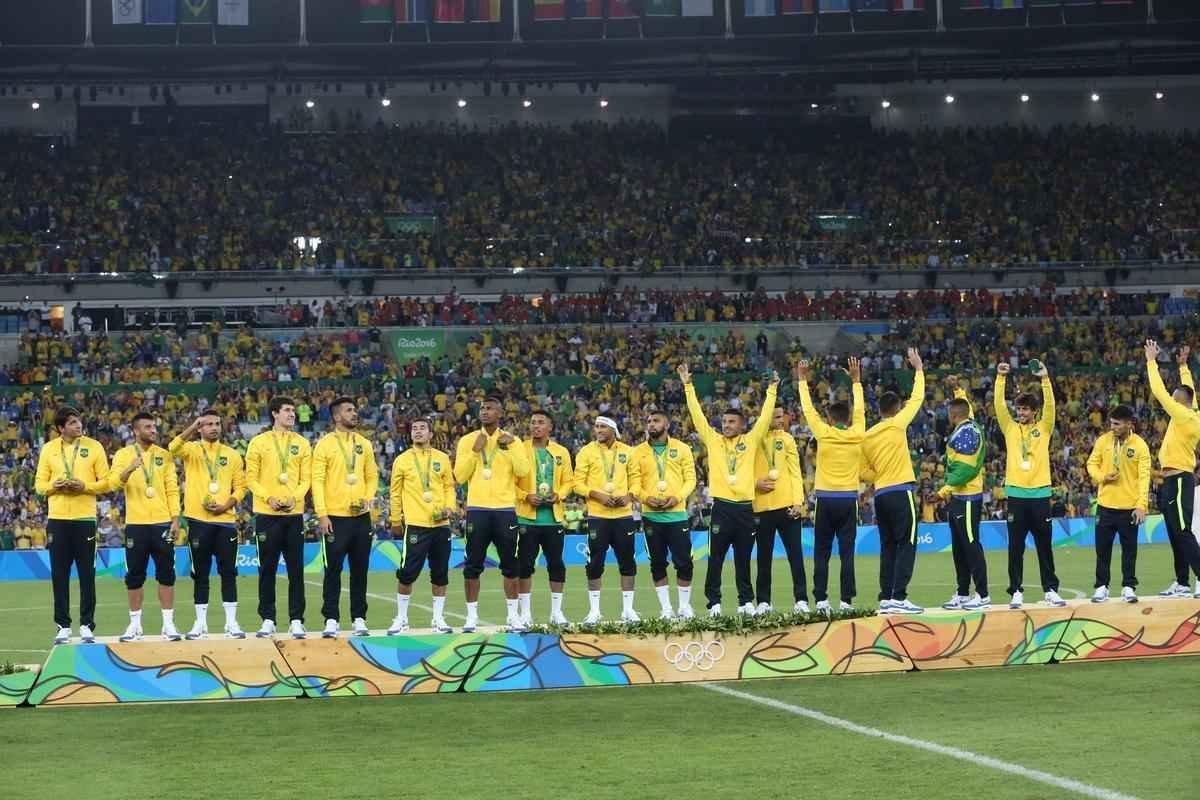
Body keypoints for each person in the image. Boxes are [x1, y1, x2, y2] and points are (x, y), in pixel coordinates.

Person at [680, 363, 779, 616]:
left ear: (742, 425)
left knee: (744, 559)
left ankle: (746, 602)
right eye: (724, 421)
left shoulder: (750, 440)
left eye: (731, 421)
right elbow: (697, 417)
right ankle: (713, 603)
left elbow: (766, 416)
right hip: (722, 508)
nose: (726, 425)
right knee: (716, 559)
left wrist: (772, 390)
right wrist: (688, 386)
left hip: (745, 509)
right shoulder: (713, 441)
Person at [453, 395, 530, 632]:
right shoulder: (468, 440)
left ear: (500, 414)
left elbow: (523, 470)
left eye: (490, 408)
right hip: (477, 509)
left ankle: (513, 615)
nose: (484, 411)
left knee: (510, 565)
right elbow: (460, 476)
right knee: (472, 565)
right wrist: (474, 452)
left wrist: (510, 449)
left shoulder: (512, 441)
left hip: (505, 510)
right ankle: (471, 616)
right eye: (482, 408)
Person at [35, 405, 110, 645]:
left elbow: (107, 482)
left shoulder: (94, 447)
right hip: (57, 520)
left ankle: (87, 625)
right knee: (59, 575)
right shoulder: (48, 449)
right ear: (60, 428)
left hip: (85, 519)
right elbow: (39, 485)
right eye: (72, 423)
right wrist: (54, 486)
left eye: (79, 421)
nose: (78, 425)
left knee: (87, 574)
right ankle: (63, 626)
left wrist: (84, 486)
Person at [169, 412, 247, 640]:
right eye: (208, 424)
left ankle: (231, 623)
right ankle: (200, 624)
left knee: (229, 573)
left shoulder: (232, 455)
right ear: (200, 428)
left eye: (217, 424)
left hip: (225, 521)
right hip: (198, 520)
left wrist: (226, 506)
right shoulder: (192, 450)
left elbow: (241, 488)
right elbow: (173, 447)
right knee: (200, 573)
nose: (214, 428)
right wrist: (192, 426)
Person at [994, 360, 1065, 609]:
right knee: (1015, 547)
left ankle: (1050, 590)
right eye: (1019, 409)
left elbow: (1052, 407)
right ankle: (1016, 591)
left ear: (1034, 411)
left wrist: (1045, 379)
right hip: (1015, 495)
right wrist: (1000, 379)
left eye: (1025, 410)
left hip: (1040, 495)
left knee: (1044, 546)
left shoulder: (1044, 428)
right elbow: (998, 407)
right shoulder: (1010, 428)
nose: (1020, 413)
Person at [106, 413, 182, 642]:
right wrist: (129, 469)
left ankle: (168, 625)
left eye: (154, 426)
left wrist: (175, 518)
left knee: (167, 574)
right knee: (135, 575)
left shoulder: (164, 455)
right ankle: (135, 625)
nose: (153, 430)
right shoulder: (123, 454)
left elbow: (172, 488)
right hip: (136, 524)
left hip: (162, 523)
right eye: (148, 427)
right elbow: (112, 484)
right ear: (135, 431)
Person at [860, 348, 925, 615]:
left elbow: (862, 472)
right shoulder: (897, 424)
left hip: (882, 495)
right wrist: (918, 369)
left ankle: (886, 596)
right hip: (901, 492)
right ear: (896, 409)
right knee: (906, 543)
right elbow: (918, 398)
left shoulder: (868, 435)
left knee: (887, 546)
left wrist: (881, 475)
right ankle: (899, 597)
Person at [797, 357, 864, 615]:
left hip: (825, 499)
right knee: (847, 553)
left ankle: (822, 600)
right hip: (848, 499)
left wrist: (803, 380)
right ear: (847, 419)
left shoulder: (823, 433)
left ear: (829, 417)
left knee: (822, 552)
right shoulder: (857, 431)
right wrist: (856, 381)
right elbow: (860, 411)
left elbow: (807, 410)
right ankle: (846, 601)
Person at [245, 396, 312, 639]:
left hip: (294, 515)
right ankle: (268, 619)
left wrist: (295, 497)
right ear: (275, 413)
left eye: (293, 410)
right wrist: (267, 497)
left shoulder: (302, 443)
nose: (292, 414)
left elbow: (306, 478)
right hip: (266, 514)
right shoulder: (258, 443)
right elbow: (250, 478)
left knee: (296, 570)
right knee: (267, 569)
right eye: (287, 410)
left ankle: (296, 619)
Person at [313, 397, 380, 638]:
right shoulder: (325, 445)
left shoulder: (364, 444)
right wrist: (322, 515)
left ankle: (359, 617)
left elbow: (372, 476)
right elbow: (317, 481)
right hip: (335, 518)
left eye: (355, 410)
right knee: (333, 570)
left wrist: (368, 497)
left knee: (360, 570)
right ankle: (331, 618)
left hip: (360, 517)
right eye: (349, 410)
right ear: (336, 416)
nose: (355, 413)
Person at [387, 417, 456, 634]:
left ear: (431, 434)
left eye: (422, 428)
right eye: (414, 428)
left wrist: (450, 508)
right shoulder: (402, 460)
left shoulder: (442, 458)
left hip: (440, 524)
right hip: (416, 524)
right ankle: (402, 618)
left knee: (440, 573)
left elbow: (449, 487)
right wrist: (395, 520)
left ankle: (438, 619)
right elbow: (395, 492)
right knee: (407, 573)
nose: (417, 431)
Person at [1145, 340, 1200, 598]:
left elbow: (1159, 391)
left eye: (1176, 400)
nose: (1172, 404)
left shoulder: (1185, 416)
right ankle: (1182, 582)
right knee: (1175, 534)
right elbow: (1191, 392)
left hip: (1179, 479)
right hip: (1170, 480)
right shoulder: (1191, 411)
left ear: (1183, 404)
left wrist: (1151, 361)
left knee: (1183, 531)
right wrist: (1183, 366)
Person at [574, 416, 642, 623]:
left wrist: (629, 496)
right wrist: (598, 495)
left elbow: (637, 480)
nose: (598, 430)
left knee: (627, 562)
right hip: (598, 515)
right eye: (596, 427)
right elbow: (577, 484)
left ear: (613, 429)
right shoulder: (586, 452)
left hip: (623, 515)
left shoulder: (628, 452)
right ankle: (594, 611)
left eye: (603, 427)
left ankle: (628, 610)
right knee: (595, 563)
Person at [632, 408, 697, 620]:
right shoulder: (638, 452)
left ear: (666, 424)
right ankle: (666, 609)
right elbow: (634, 483)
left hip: (677, 515)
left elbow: (691, 480)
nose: (651, 424)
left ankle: (684, 607)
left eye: (656, 421)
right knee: (657, 564)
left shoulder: (682, 448)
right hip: (651, 517)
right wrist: (645, 498)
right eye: (648, 421)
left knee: (684, 563)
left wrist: (677, 498)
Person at [1085, 405, 1150, 603]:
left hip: (1129, 508)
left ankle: (1128, 586)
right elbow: (1090, 464)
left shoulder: (1140, 446)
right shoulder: (1103, 441)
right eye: (1111, 423)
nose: (1112, 427)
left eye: (1117, 424)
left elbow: (1144, 478)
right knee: (1102, 550)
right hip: (1105, 506)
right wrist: (1103, 477)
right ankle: (1101, 587)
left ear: (1129, 423)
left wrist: (1141, 506)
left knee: (1129, 551)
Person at [934, 381, 991, 611]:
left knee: (970, 545)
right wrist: (959, 391)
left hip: (967, 498)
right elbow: (967, 407)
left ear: (952, 415)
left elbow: (966, 471)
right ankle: (962, 592)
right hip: (959, 498)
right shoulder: (969, 425)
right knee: (959, 548)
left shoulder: (967, 434)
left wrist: (942, 491)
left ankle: (983, 594)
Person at [514, 411, 574, 626]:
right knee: (524, 566)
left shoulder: (561, 452)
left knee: (556, 565)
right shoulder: (519, 449)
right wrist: (525, 496)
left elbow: (569, 481)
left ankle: (556, 613)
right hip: (526, 518)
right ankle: (525, 613)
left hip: (553, 519)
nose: (535, 426)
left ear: (550, 427)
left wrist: (559, 495)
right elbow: (509, 482)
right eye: (532, 422)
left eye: (541, 422)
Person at [751, 406, 808, 615]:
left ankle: (801, 599)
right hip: (762, 508)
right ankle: (764, 601)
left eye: (781, 417)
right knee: (763, 558)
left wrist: (798, 502)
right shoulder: (753, 439)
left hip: (787, 508)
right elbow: (742, 470)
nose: (780, 421)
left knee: (796, 555)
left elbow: (795, 472)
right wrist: (755, 483)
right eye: (775, 417)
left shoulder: (788, 439)